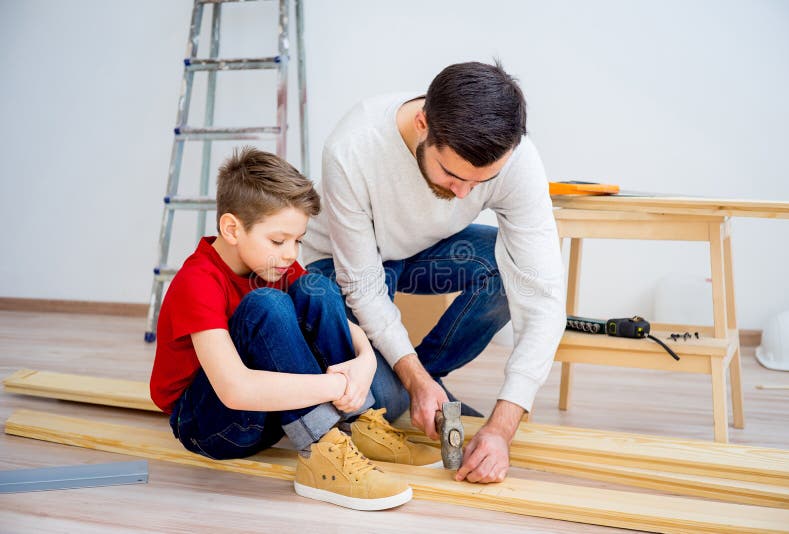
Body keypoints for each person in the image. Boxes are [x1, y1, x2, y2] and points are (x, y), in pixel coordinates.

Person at [303, 61, 566, 484]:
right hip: (341, 266)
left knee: (503, 270)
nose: (463, 193)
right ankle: (412, 388)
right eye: (452, 174)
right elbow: (364, 286)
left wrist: (502, 426)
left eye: (481, 182)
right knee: (382, 398)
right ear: (423, 123)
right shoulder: (353, 147)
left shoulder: (517, 160)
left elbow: (544, 296)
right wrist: (410, 381)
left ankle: (429, 383)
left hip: (421, 252)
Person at [149, 147, 440, 511]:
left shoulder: (275, 265)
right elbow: (235, 390)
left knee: (315, 287)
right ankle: (322, 451)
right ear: (231, 228)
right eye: (278, 240)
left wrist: (364, 365)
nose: (290, 253)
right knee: (266, 305)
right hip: (212, 426)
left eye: (297, 241)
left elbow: (351, 330)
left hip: (275, 411)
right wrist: (339, 385)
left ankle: (357, 425)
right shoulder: (198, 281)